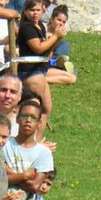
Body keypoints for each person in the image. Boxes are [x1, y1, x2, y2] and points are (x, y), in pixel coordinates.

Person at [15, 0, 65, 138]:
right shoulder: (27, 27)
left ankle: (36, 142)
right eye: (31, 10)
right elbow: (38, 48)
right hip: (30, 72)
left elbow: (47, 52)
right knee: (38, 110)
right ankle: (30, 142)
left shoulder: (40, 27)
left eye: (37, 10)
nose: (35, 13)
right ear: (25, 12)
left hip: (41, 71)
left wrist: (57, 39)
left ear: (43, 10)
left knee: (46, 110)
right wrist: (55, 36)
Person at [45, 5, 74, 86]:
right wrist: (55, 38)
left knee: (64, 44)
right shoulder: (43, 31)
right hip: (45, 62)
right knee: (71, 75)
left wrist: (58, 38)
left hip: (53, 59)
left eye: (63, 22)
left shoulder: (60, 34)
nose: (61, 23)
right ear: (51, 19)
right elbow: (46, 56)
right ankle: (58, 66)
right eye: (59, 20)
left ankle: (60, 65)